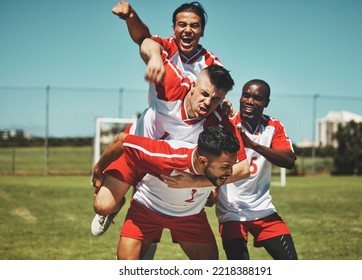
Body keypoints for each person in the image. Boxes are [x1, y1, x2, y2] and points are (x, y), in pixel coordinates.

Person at [90, 1, 233, 237]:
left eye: (195, 25)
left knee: (159, 207)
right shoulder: (166, 50)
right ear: (174, 28)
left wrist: (222, 103)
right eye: (182, 24)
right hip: (146, 134)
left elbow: (220, 90)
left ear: (202, 30)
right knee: (103, 204)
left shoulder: (212, 64)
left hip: (176, 147)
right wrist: (153, 53)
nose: (187, 30)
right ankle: (113, 207)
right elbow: (145, 41)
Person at [93, 126, 240, 259]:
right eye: (226, 167)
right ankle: (115, 203)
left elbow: (238, 171)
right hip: (147, 209)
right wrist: (98, 170)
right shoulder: (166, 156)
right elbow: (121, 140)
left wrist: (214, 188)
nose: (231, 172)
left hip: (190, 215)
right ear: (202, 162)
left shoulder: (218, 166)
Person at [216, 79, 298, 260]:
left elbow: (289, 160)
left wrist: (253, 145)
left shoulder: (273, 127)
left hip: (263, 209)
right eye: (246, 95)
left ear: (266, 103)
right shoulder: (226, 124)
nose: (250, 101)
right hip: (231, 211)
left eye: (257, 98)